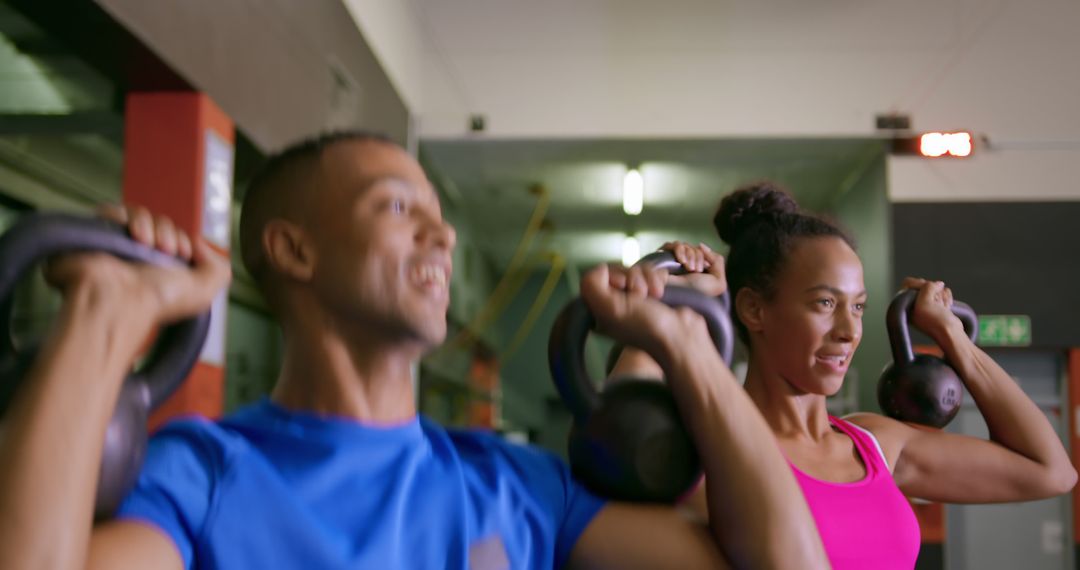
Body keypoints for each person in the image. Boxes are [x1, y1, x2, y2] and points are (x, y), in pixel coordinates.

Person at [0, 133, 830, 569]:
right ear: (294, 250)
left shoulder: (518, 487)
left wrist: (686, 349)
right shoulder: (202, 475)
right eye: (398, 208)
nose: (443, 234)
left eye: (439, 210)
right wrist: (106, 314)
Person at [613, 182, 1077, 569]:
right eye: (825, 303)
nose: (849, 330)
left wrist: (955, 339)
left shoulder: (876, 446)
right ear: (754, 308)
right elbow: (619, 440)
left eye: (858, 307)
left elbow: (1050, 472)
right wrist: (668, 307)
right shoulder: (707, 456)